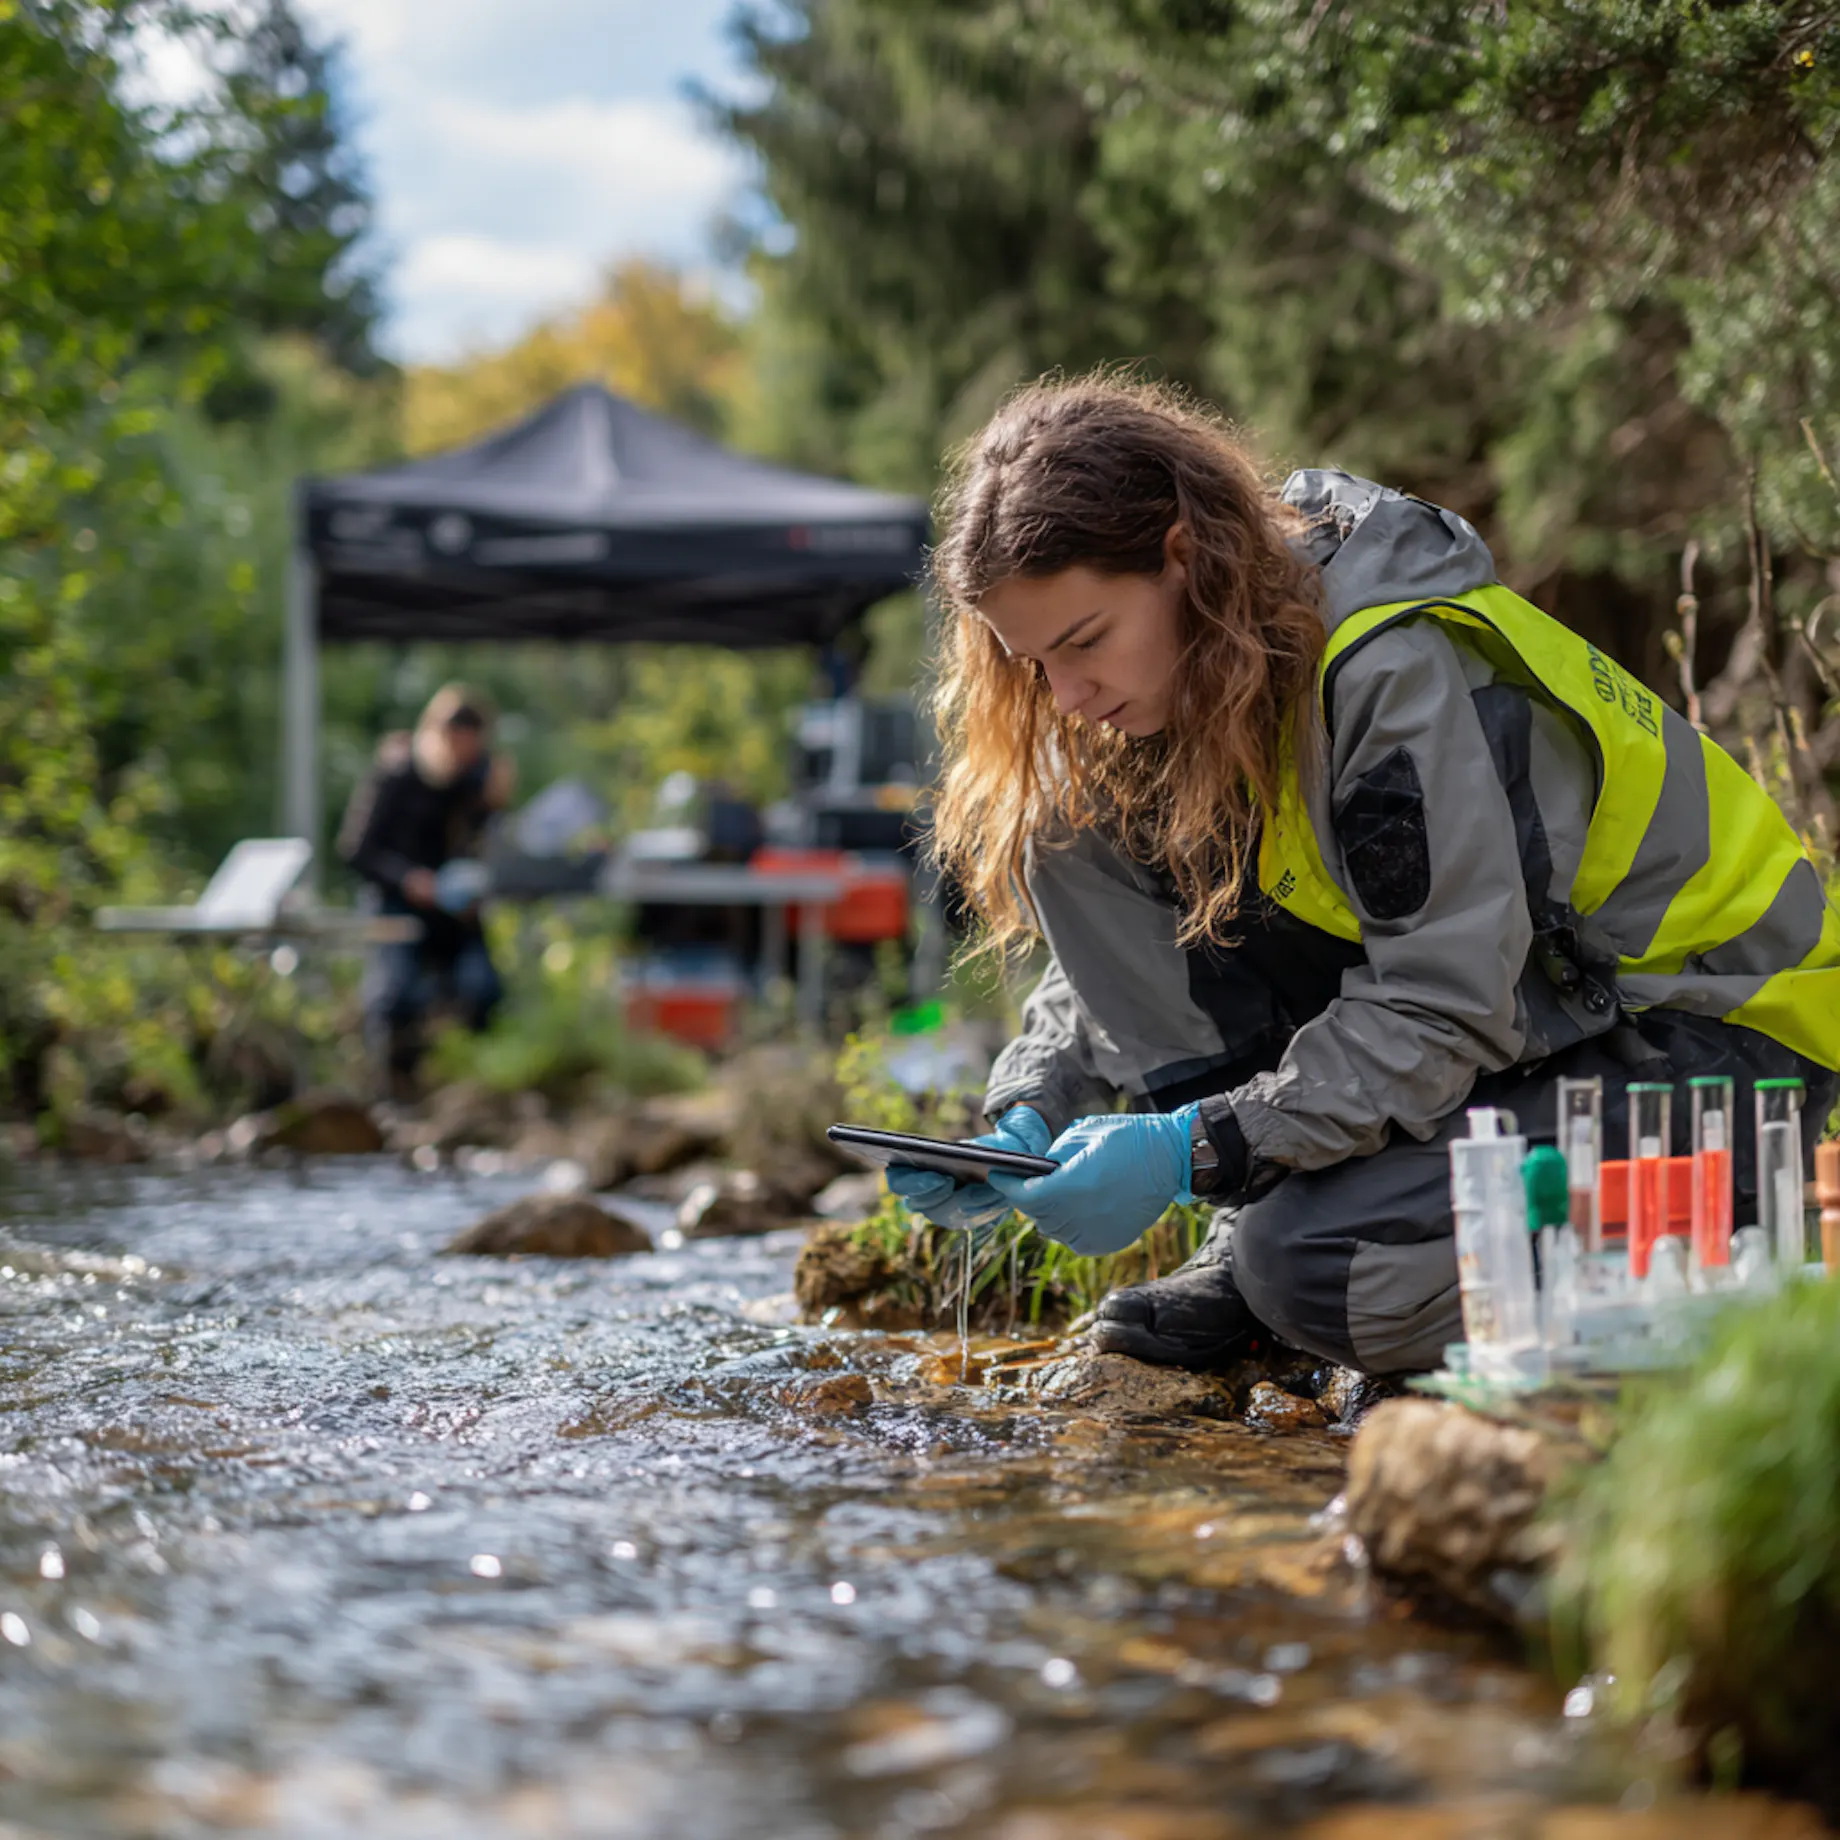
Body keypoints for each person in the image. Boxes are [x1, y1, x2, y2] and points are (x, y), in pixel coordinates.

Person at [890, 374, 1840, 1376]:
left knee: (1316, 1270)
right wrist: (1030, 1109)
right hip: (1540, 1022)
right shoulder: (1214, 665)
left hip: (1713, 1037)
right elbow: (1147, 953)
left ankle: (1703, 1270)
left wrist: (1193, 1148)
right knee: (1066, 824)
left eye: (1084, 641)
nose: (1067, 693)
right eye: (1031, 661)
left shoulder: (1384, 665)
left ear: (1183, 556)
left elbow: (1440, 1002)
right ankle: (1268, 1234)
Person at [338, 684, 516, 1092]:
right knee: (396, 996)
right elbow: (357, 849)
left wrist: (495, 803)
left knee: (483, 990)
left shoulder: (478, 782)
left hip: (454, 915)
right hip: (397, 907)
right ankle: (390, 1088)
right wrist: (408, 879)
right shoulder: (397, 775)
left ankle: (467, 1087)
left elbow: (491, 849)